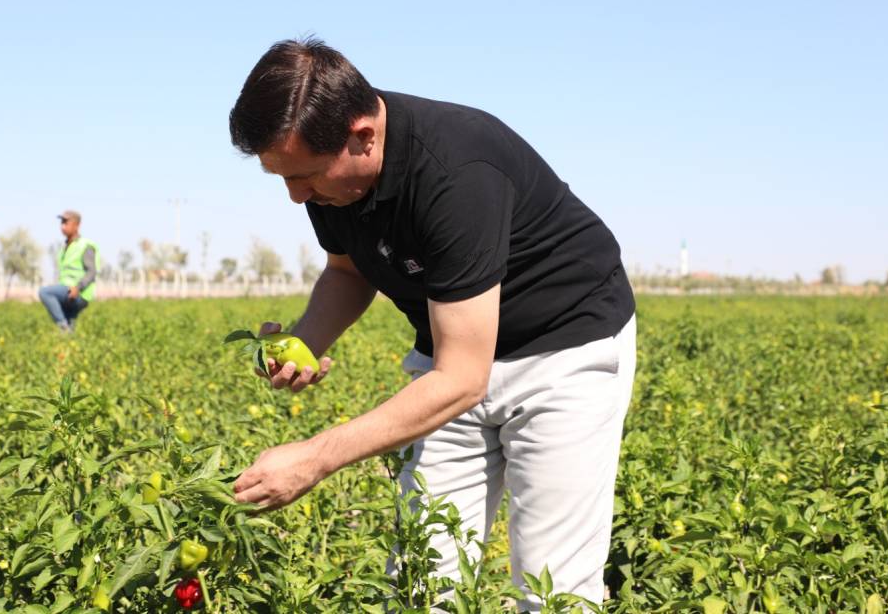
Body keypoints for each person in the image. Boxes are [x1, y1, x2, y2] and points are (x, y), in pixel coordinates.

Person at [227, 38, 636, 609]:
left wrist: (314, 457)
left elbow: (462, 380)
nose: (297, 197)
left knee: (554, 587)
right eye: (283, 178)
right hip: (452, 352)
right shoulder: (331, 178)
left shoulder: (457, 173)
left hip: (562, 352)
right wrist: (307, 339)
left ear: (362, 135)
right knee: (423, 576)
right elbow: (346, 273)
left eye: (306, 176)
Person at [38, 210, 99, 333]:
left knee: (45, 293)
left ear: (76, 225)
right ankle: (68, 335)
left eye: (66, 222)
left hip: (77, 292)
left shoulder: (85, 245)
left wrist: (78, 287)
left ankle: (62, 326)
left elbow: (91, 272)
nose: (62, 226)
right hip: (67, 290)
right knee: (70, 329)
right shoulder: (65, 247)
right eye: (62, 223)